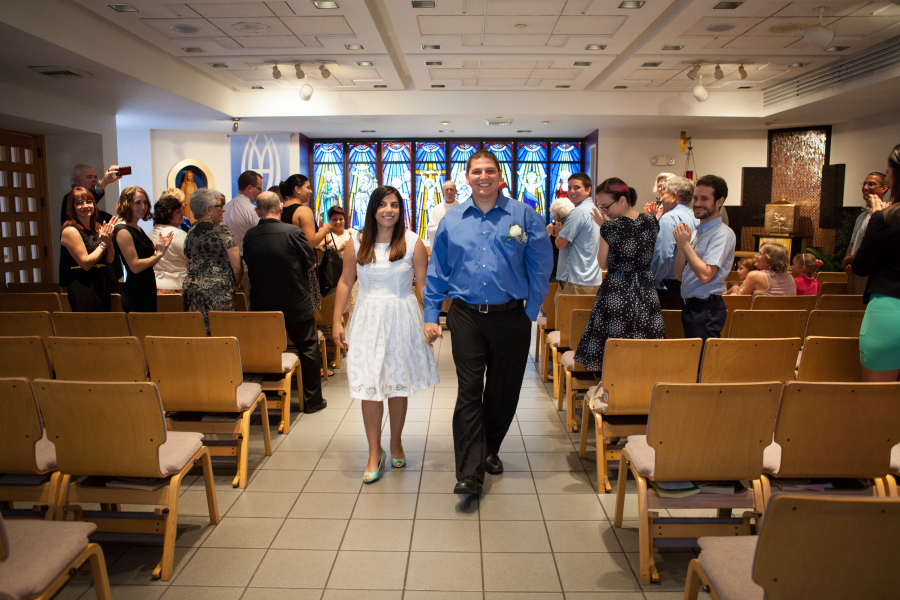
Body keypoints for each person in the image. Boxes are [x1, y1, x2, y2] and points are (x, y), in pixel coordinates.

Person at [424, 150, 553, 495]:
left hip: (512, 315)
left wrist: (530, 311)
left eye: (490, 171)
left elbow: (541, 266)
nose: (483, 176)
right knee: (468, 392)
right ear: (467, 177)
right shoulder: (453, 220)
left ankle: (490, 447)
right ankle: (469, 472)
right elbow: (437, 271)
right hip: (465, 315)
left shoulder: (524, 217)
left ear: (500, 177)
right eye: (476, 171)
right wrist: (431, 315)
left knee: (502, 390)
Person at [332, 186, 439, 483]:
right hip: (367, 316)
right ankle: (373, 451)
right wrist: (337, 321)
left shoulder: (412, 241)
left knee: (396, 383)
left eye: (394, 204)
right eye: (382, 204)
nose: (388, 210)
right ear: (373, 209)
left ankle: (396, 441)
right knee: (370, 383)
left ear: (400, 209)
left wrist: (432, 317)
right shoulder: (356, 242)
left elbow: (423, 284)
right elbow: (344, 281)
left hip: (401, 315)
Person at [243, 192, 327, 414]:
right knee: (308, 349)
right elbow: (310, 263)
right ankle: (312, 402)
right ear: (280, 208)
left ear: (256, 210)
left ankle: (270, 399)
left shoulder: (250, 235)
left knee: (269, 351)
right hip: (295, 301)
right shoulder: (292, 232)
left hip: (263, 305)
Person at [574, 178, 664, 370]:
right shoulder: (651, 220)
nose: (604, 211)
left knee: (614, 344)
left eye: (606, 206)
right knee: (644, 342)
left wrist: (603, 227)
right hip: (646, 290)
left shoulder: (610, 227)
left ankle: (612, 387)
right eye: (601, 206)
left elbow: (602, 263)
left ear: (622, 200)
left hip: (618, 290)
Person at [852, 143, 900, 382]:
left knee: (877, 399)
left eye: (888, 171)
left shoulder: (886, 217)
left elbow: (861, 267)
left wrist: (875, 219)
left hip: (890, 309)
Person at [674, 175, 736, 340]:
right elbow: (679, 275)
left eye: (705, 198)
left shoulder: (722, 234)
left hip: (707, 308)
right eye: (696, 198)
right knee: (694, 360)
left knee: (703, 361)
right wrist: (682, 246)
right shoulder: (695, 233)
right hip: (692, 306)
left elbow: (706, 275)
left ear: (719, 201)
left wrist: (686, 245)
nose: (698, 203)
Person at [183, 189, 243, 331]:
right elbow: (237, 267)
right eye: (219, 206)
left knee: (198, 333)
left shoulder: (190, 232)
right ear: (208, 209)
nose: (223, 209)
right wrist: (235, 284)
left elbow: (187, 263)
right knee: (221, 333)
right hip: (218, 291)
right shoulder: (223, 232)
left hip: (193, 291)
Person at [59, 187, 120, 311]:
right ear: (72, 207)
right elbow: (86, 264)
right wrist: (103, 244)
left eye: (88, 202)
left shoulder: (97, 226)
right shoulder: (70, 230)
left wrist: (109, 240)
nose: (85, 206)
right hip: (83, 286)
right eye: (79, 203)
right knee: (89, 327)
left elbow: (109, 260)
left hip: (102, 283)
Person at [113, 186, 172, 313]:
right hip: (136, 291)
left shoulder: (137, 228)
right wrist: (159, 254)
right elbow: (135, 266)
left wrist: (159, 249)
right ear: (127, 204)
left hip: (147, 287)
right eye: (138, 203)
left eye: (145, 202)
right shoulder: (123, 230)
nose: (143, 207)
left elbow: (149, 263)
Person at [549, 174, 602, 312]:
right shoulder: (596, 210)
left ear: (588, 189)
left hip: (575, 278)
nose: (572, 191)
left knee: (567, 327)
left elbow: (561, 244)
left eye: (577, 187)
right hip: (593, 276)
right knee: (584, 325)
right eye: (570, 187)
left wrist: (556, 234)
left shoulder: (577, 212)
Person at [283, 173, 334, 310]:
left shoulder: (281, 208)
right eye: (308, 187)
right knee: (305, 308)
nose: (311, 191)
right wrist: (326, 229)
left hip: (285, 263)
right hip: (302, 265)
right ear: (297, 189)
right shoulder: (303, 210)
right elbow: (310, 242)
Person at [651, 176, 698, 309]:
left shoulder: (669, 218)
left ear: (675, 196)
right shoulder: (696, 217)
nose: (661, 198)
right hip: (692, 282)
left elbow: (664, 255)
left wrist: (654, 279)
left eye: (664, 193)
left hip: (669, 286)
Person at [843, 172, 890, 295]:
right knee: (851, 310)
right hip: (854, 271)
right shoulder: (861, 216)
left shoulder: (886, 213)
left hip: (870, 272)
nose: (865, 187)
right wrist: (848, 262)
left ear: (884, 188)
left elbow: (877, 245)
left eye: (871, 184)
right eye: (864, 184)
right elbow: (853, 243)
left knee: (862, 310)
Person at [149, 192, 189, 294]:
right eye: (179, 212)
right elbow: (191, 258)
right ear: (168, 214)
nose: (183, 214)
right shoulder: (178, 234)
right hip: (176, 286)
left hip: (157, 285)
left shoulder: (153, 231)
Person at [727, 243, 796, 297]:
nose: (755, 256)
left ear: (770, 258)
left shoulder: (755, 275)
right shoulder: (789, 276)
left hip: (759, 315)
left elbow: (741, 301)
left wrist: (734, 290)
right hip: (787, 315)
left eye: (760, 253)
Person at [222, 170, 263, 254]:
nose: (261, 192)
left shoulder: (224, 209)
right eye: (259, 188)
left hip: (225, 260)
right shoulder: (253, 211)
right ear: (250, 188)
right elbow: (262, 237)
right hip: (246, 259)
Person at [547, 197, 575, 284]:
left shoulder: (555, 228)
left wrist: (549, 235)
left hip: (558, 272)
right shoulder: (574, 223)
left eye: (553, 215)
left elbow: (552, 252)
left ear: (558, 215)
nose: (554, 218)